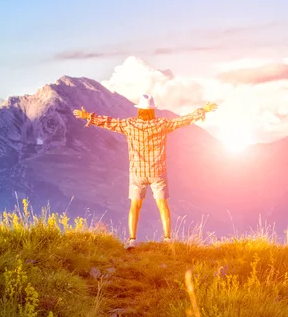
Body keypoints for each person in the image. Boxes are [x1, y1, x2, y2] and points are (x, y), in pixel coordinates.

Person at [73, 94, 217, 249]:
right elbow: (182, 120)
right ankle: (168, 239)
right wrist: (202, 110)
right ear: (152, 111)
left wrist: (88, 116)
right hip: (158, 172)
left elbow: (108, 122)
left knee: (135, 206)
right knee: (163, 206)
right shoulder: (161, 124)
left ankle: (132, 240)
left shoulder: (130, 125)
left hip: (137, 173)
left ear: (139, 110)